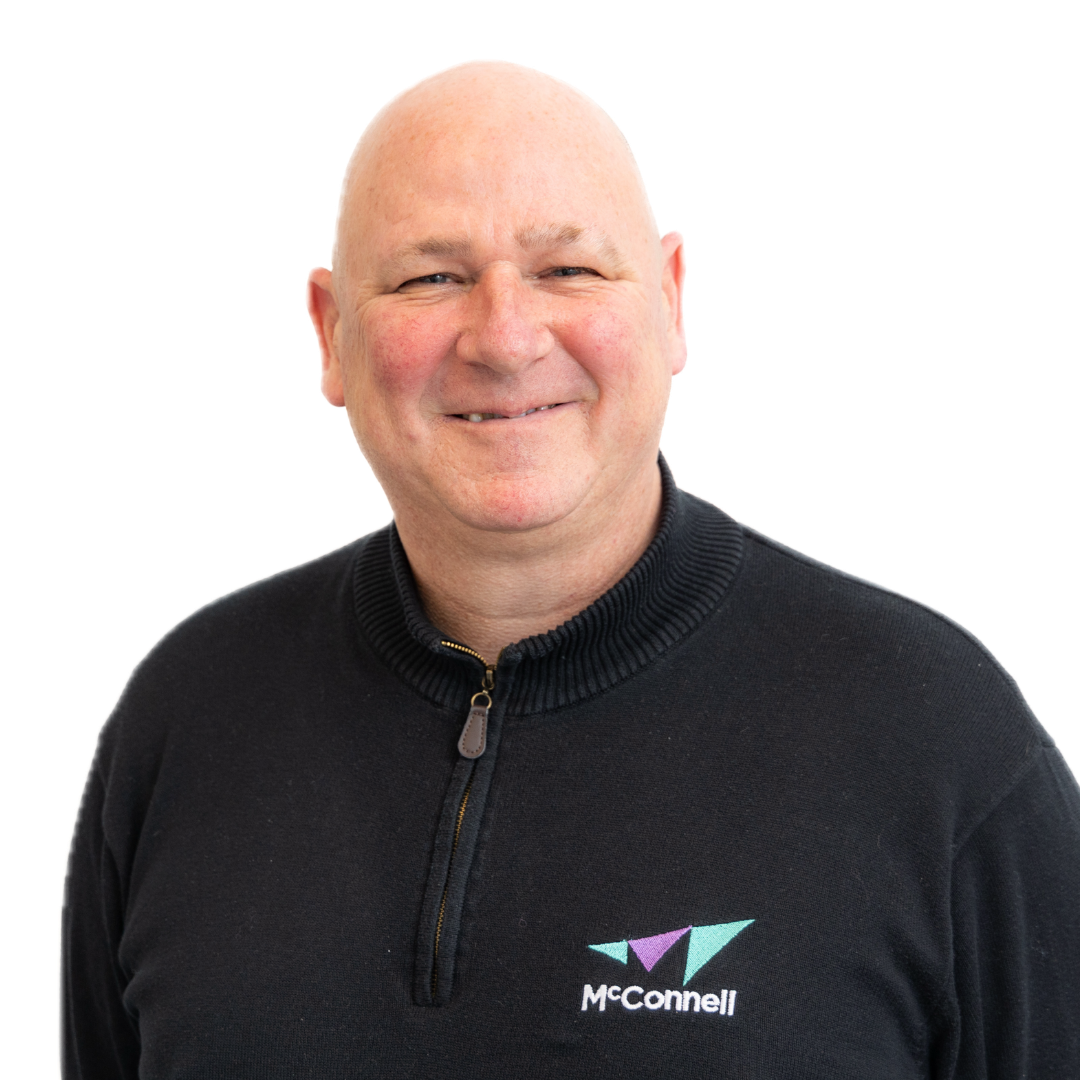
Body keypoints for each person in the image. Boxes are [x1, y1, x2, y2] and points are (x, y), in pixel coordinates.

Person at [59, 60, 1080, 1079]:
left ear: (670, 300)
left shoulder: (937, 741)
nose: (506, 340)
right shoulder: (185, 717)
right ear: (330, 332)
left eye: (569, 270)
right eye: (430, 278)